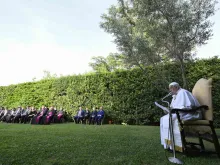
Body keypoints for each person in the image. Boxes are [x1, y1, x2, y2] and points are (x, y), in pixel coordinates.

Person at [160, 82, 201, 152]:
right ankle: (169, 144)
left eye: (171, 89)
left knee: (171, 120)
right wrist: (167, 110)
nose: (170, 91)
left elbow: (189, 106)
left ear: (175, 87)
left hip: (191, 113)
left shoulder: (183, 92)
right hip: (181, 113)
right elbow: (174, 107)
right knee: (163, 119)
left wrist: (174, 110)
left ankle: (177, 146)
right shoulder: (176, 95)